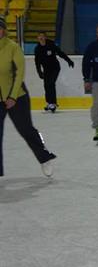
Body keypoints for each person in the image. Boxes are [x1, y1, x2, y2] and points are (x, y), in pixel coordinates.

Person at [0, 17, 56, 177]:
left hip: (17, 97)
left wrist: (12, 97)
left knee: (27, 130)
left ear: (4, 30)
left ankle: (45, 157)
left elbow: (19, 74)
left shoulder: (13, 48)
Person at [34, 31, 74, 112]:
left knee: (51, 83)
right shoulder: (37, 49)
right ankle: (49, 102)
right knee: (46, 85)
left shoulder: (51, 45)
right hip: (46, 70)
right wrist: (39, 72)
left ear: (45, 37)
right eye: (39, 36)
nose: (41, 38)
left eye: (42, 36)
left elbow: (60, 53)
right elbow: (37, 62)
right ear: (37, 38)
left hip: (55, 68)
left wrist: (69, 60)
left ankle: (53, 103)